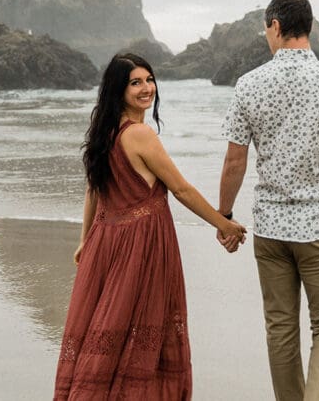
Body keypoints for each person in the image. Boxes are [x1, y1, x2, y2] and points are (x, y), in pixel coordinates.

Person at [54, 53, 247, 400]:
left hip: (105, 241)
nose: (147, 89)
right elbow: (182, 188)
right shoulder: (140, 134)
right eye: (135, 83)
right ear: (119, 90)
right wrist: (224, 224)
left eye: (149, 80)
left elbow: (92, 190)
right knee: (138, 330)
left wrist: (85, 241)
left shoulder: (105, 132)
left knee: (107, 328)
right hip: (140, 246)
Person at [216, 0, 319, 401]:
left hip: (270, 229)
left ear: (277, 27)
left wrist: (224, 216)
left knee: (281, 328)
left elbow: (234, 162)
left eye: (267, 28)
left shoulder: (249, 85)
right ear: (311, 28)